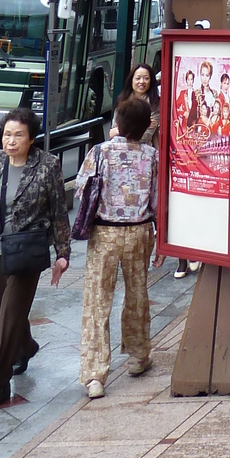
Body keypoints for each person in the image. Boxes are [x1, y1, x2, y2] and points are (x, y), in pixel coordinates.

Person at [0, 107, 70, 410]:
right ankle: (26, 347)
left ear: (31, 138)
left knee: (8, 320)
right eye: (7, 134)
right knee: (2, 311)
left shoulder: (47, 166)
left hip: (27, 251)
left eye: (18, 135)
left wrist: (62, 253)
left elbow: (58, 211)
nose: (11, 141)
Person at [75, 94, 160, 399]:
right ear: (145, 126)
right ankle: (138, 356)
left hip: (105, 234)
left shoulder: (99, 152)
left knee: (98, 300)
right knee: (137, 293)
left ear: (119, 124)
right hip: (139, 232)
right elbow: (157, 200)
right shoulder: (152, 156)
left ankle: (95, 374)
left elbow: (82, 192)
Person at [112, 63, 159, 145]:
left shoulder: (155, 103)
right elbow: (113, 131)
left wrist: (119, 131)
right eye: (138, 78)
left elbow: (145, 136)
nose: (142, 82)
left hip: (144, 148)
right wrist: (144, 125)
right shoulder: (123, 99)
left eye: (146, 78)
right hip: (119, 147)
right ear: (131, 80)